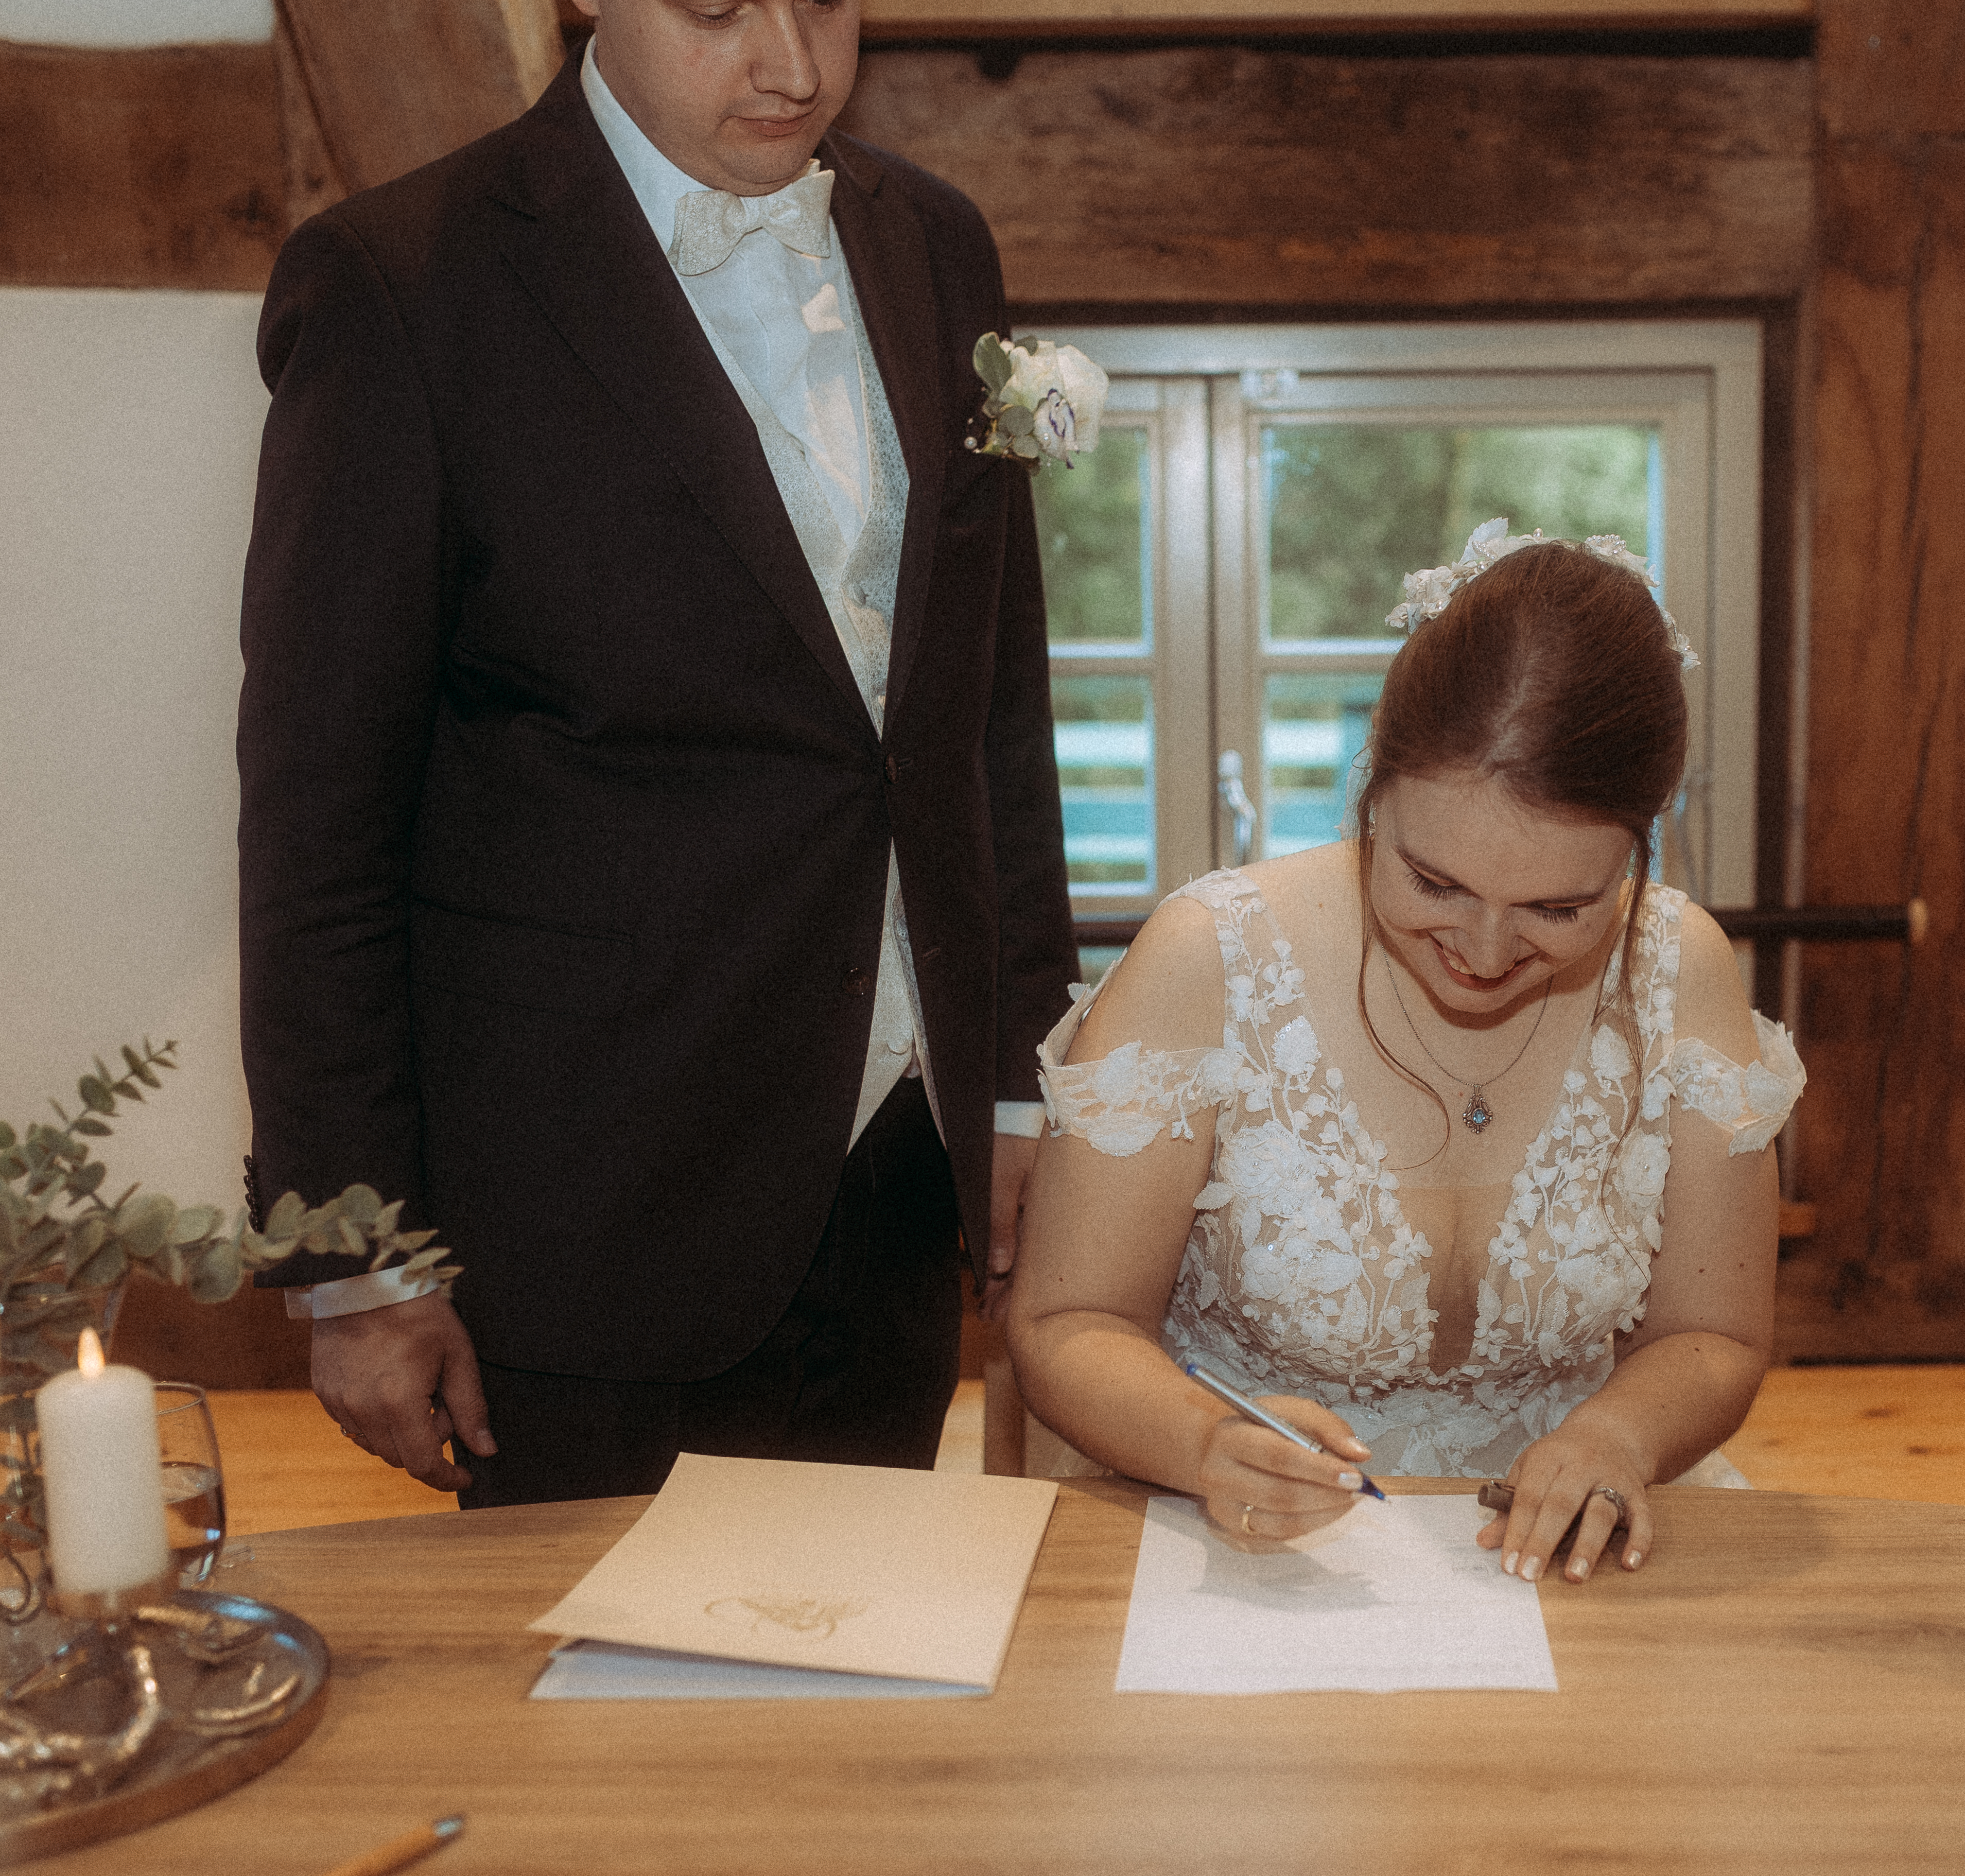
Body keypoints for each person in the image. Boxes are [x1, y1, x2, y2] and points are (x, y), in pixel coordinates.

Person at [236, 0, 1075, 1504]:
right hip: (576, 1219)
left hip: (891, 1173)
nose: (790, 66)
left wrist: (1014, 1081)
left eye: (822, 1)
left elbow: (988, 711)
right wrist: (355, 1259)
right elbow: (318, 826)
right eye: (712, 8)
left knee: (862, 1697)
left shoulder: (933, 241)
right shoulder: (403, 282)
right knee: (600, 1735)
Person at [1006, 526, 1803, 1584]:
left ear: (1636, 848)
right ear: (1370, 793)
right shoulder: (1210, 958)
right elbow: (1069, 1318)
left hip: (1560, 1549)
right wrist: (1201, 1438)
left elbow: (1713, 1332)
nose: (1481, 951)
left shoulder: (1680, 969)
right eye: (1433, 884)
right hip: (1230, 1532)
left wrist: (1619, 1433)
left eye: (1557, 907)